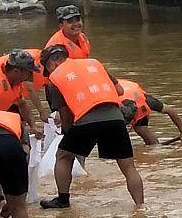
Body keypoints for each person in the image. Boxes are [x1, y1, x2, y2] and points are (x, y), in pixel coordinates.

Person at [39, 45, 144, 208]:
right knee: (128, 166)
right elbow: (119, 90)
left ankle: (63, 200)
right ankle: (140, 206)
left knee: (63, 156)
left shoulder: (54, 79)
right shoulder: (94, 63)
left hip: (86, 119)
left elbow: (65, 114)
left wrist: (67, 135)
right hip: (115, 118)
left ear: (49, 65)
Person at [117, 78, 182, 145]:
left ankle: (153, 147)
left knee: (141, 130)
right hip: (117, 91)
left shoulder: (147, 102)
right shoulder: (110, 104)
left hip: (133, 94)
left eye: (129, 121)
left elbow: (170, 110)